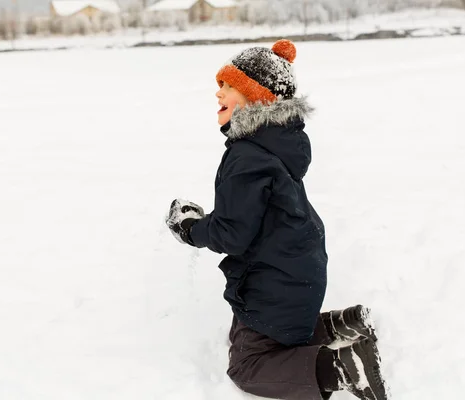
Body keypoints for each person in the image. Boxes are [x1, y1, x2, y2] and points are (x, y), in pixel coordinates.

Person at [166, 39, 388, 400]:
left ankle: (344, 368)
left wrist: (190, 229)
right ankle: (341, 324)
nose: (217, 93)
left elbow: (232, 234)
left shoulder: (247, 156)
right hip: (298, 269)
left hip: (276, 279)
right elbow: (246, 216)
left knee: (247, 364)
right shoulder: (277, 145)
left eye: (227, 85)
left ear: (254, 97)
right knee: (264, 331)